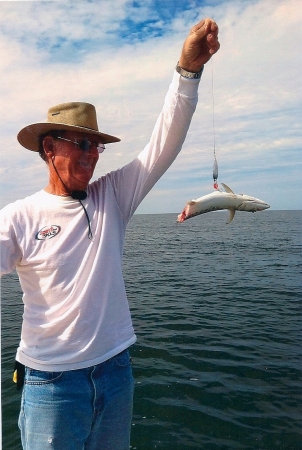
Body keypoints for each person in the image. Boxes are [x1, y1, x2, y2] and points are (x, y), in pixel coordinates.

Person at [0, 18, 219, 450]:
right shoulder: (18, 216)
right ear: (49, 148)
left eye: (95, 146)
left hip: (117, 372)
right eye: (79, 144)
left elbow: (164, 142)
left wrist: (188, 73)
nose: (91, 155)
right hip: (52, 384)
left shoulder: (113, 196)